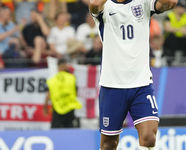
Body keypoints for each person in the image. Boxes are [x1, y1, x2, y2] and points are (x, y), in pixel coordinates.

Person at [89, 0, 177, 149]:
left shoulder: (143, 2)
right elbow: (94, 5)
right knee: (108, 144)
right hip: (112, 86)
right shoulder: (106, 6)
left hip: (141, 84)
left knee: (149, 137)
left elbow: (171, 3)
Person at [43, 58, 82, 128]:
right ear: (65, 66)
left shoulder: (52, 80)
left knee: (55, 130)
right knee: (69, 129)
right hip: (70, 107)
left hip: (58, 107)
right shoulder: (72, 78)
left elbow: (48, 95)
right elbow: (76, 93)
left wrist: (45, 107)